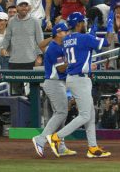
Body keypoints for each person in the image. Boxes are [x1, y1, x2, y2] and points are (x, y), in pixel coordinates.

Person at [46, 12, 111, 158]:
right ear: (79, 24)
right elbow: (107, 42)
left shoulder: (67, 38)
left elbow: (81, 47)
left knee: (90, 115)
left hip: (73, 77)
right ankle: (56, 137)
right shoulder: (85, 37)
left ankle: (92, 147)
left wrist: (91, 34)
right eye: (83, 22)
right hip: (80, 80)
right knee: (85, 115)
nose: (85, 24)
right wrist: (110, 29)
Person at [32, 23, 76, 158]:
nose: (67, 33)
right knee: (61, 113)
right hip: (54, 83)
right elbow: (61, 68)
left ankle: (60, 146)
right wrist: (75, 61)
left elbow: (40, 45)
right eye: (64, 32)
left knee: (60, 116)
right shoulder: (55, 48)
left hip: (58, 83)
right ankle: (41, 139)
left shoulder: (57, 45)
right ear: (58, 33)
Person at [1, 0, 43, 95]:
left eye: (25, 5)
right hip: (14, 61)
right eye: (21, 5)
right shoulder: (11, 21)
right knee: (16, 93)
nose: (24, 7)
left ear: (28, 7)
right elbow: (7, 37)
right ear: (17, 7)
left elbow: (40, 40)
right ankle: (19, 111)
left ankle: (33, 110)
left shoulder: (35, 21)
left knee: (33, 92)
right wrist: (3, 48)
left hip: (31, 61)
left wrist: (39, 56)